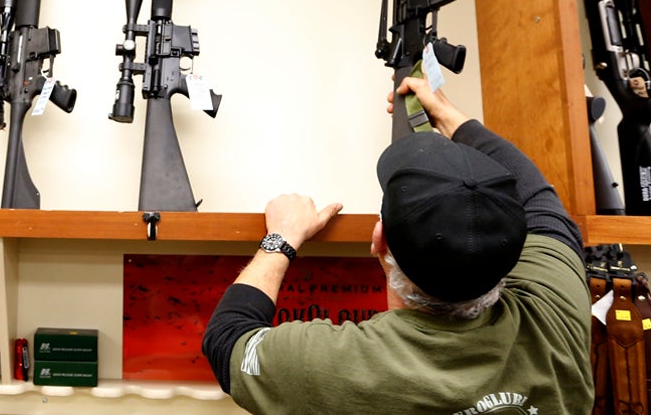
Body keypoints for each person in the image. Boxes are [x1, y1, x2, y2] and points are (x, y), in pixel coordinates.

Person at [201, 76, 593, 413]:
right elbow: (541, 200)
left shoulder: (341, 367)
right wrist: (448, 113)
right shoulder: (553, 316)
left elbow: (226, 342)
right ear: (513, 249)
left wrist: (280, 239)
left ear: (379, 241)